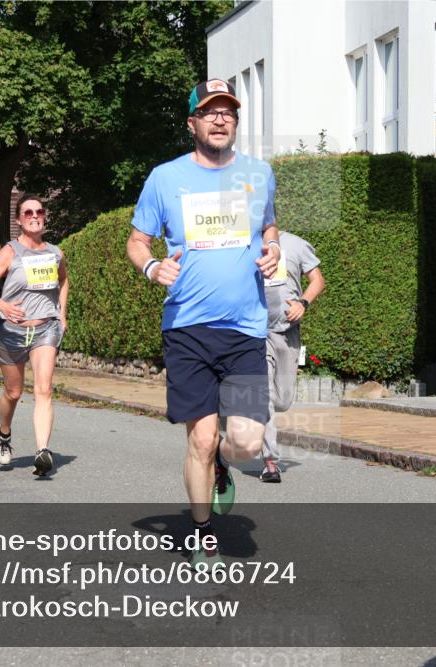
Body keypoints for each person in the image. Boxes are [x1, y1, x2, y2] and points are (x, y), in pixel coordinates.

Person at [126, 79, 281, 570]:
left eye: (228, 112)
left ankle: (221, 465)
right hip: (188, 329)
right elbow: (137, 241)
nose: (220, 119)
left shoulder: (260, 174)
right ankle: (202, 532)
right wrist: (152, 267)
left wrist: (273, 249)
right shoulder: (165, 178)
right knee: (199, 437)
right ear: (192, 122)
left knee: (246, 442)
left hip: (246, 330)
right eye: (210, 112)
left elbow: (269, 229)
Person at [0, 194, 68, 477]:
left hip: (45, 328)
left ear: (45, 216)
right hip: (13, 331)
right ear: (19, 220)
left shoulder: (55, 253)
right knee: (13, 392)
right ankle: (4, 433)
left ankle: (42, 451)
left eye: (39, 211)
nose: (34, 216)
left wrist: (61, 315)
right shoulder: (9, 252)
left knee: (44, 389)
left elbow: (64, 281)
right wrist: (4, 306)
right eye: (27, 213)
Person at [259, 231, 325, 482]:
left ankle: (250, 412)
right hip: (257, 333)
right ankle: (270, 461)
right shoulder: (245, 246)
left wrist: (303, 303)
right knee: (263, 394)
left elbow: (317, 280)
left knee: (283, 400)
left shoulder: (296, 244)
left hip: (287, 334)